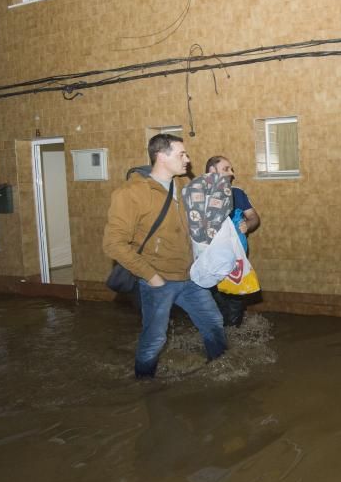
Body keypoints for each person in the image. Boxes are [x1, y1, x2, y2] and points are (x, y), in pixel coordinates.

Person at [103, 134, 227, 378]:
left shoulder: (182, 186)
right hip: (158, 280)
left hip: (190, 277)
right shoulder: (131, 193)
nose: (188, 160)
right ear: (161, 156)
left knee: (213, 323)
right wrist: (152, 277)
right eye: (181, 154)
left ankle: (223, 373)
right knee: (154, 338)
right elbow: (113, 244)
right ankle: (144, 385)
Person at [205, 155, 260, 327]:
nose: (232, 173)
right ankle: (222, 334)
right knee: (216, 299)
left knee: (235, 299)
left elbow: (254, 217)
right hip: (211, 258)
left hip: (237, 258)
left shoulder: (237, 193)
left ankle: (233, 336)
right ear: (212, 171)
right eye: (226, 169)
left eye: (231, 168)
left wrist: (248, 224)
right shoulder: (200, 196)